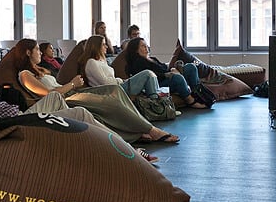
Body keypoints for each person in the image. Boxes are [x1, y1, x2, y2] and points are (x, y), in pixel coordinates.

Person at [0, 40, 164, 161]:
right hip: (21, 120)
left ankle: (119, 145)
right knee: (80, 112)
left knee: (80, 110)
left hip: (33, 110)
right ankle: (125, 148)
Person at [10, 38, 178, 143]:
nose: (40, 52)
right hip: (65, 98)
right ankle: (151, 130)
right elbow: (48, 94)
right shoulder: (25, 74)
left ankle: (138, 128)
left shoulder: (42, 70)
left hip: (71, 93)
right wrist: (73, 84)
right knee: (109, 102)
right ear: (27, 52)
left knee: (115, 90)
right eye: (37, 49)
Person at [125, 37, 209, 109]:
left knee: (191, 66)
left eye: (146, 45)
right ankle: (191, 101)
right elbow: (149, 76)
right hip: (159, 83)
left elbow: (164, 68)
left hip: (169, 76)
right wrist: (168, 74)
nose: (146, 48)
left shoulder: (153, 58)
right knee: (177, 78)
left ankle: (198, 93)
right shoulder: (138, 62)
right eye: (143, 46)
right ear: (136, 50)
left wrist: (173, 69)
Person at [80, 35, 161, 99]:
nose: (106, 47)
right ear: (96, 46)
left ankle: (155, 100)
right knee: (147, 73)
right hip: (113, 90)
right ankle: (156, 103)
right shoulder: (91, 63)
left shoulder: (101, 61)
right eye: (103, 44)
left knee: (150, 76)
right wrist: (120, 80)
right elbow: (105, 82)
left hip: (117, 87)